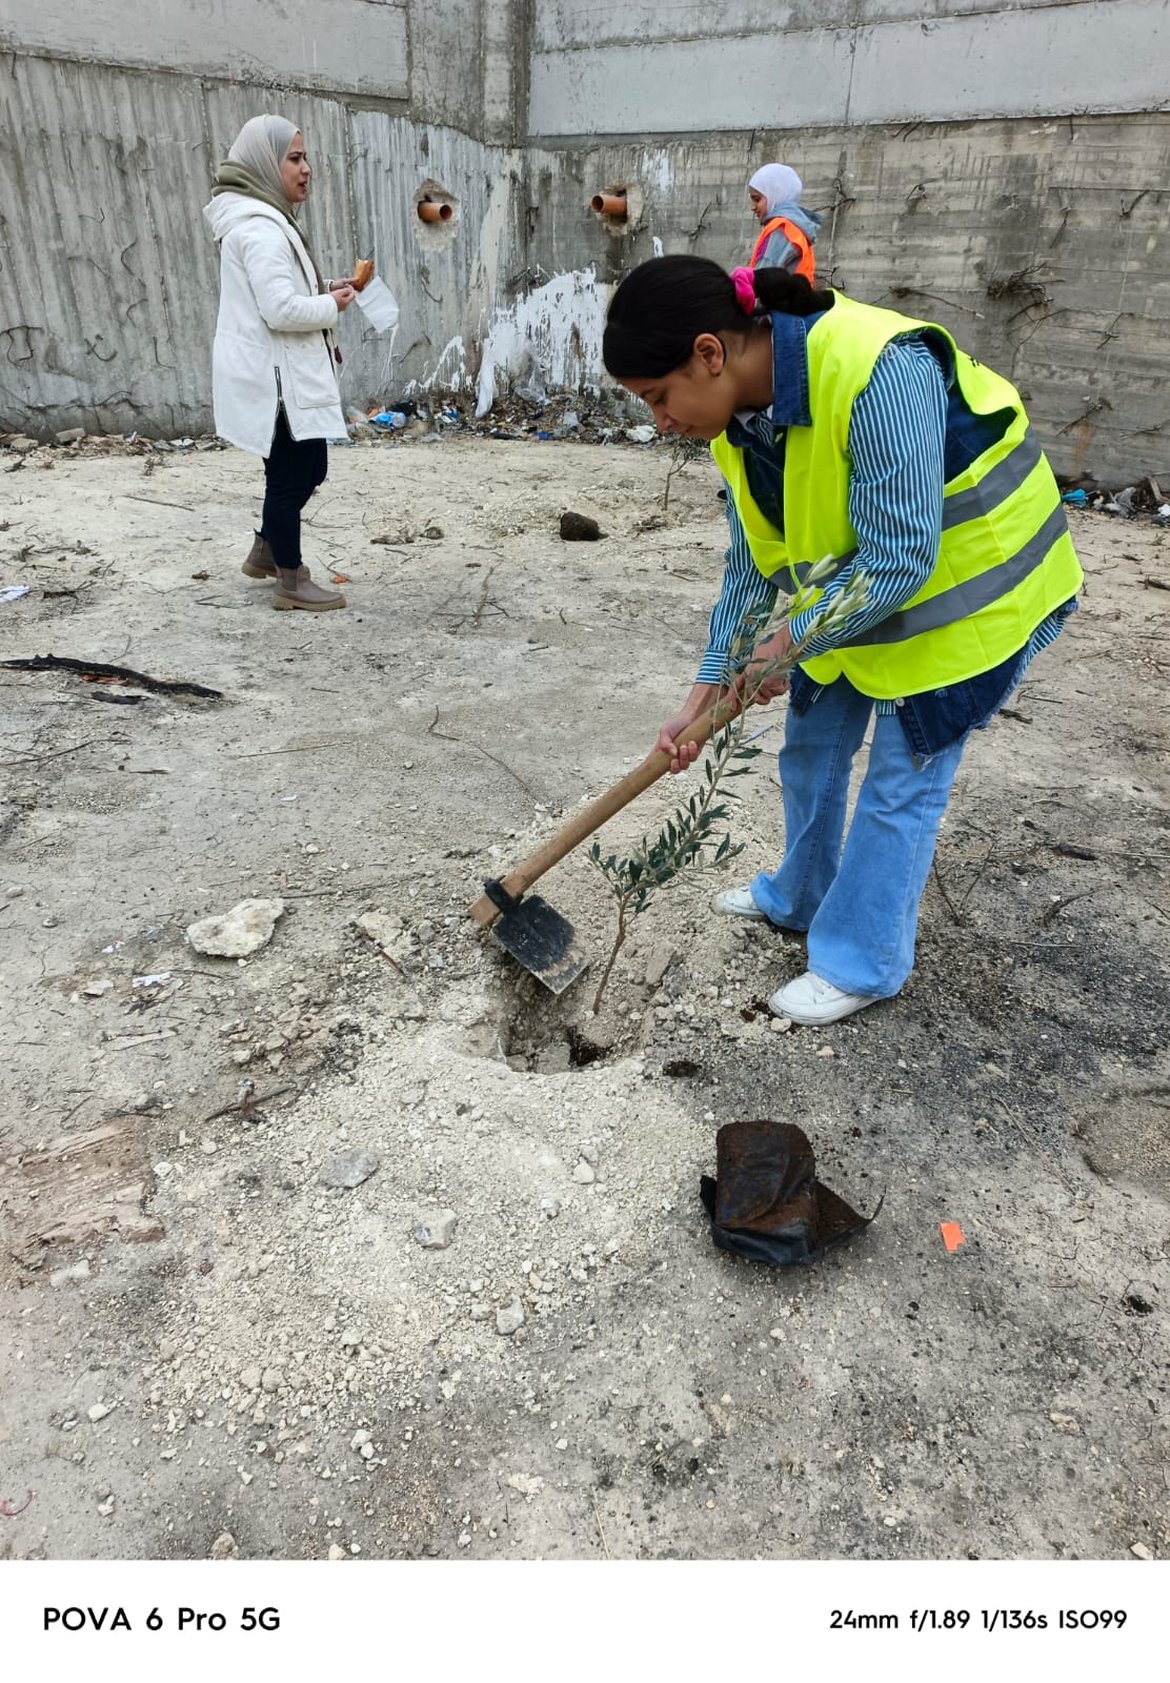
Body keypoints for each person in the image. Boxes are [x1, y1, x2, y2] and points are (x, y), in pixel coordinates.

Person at [603, 256, 1082, 1026]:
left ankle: (863, 961)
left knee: (901, 780)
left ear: (710, 353)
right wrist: (708, 685)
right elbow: (752, 562)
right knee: (811, 742)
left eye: (658, 396)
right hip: (864, 591)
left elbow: (901, 556)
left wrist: (786, 644)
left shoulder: (877, 371)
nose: (660, 420)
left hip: (973, 594)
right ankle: (801, 893)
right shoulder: (735, 423)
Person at [204, 114, 355, 612]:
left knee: (304, 468)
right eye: (294, 158)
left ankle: (268, 549)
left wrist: (323, 290)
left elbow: (278, 294)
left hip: (275, 375)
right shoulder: (261, 230)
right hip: (277, 383)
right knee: (293, 478)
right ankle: (290, 579)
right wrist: (331, 305)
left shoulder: (264, 220)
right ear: (267, 166)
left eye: (305, 157)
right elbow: (280, 310)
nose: (306, 168)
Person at [747, 164, 821, 281]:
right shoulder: (794, 227)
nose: (753, 207)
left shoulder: (782, 229)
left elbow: (763, 280)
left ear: (775, 195)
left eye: (757, 199)